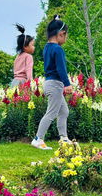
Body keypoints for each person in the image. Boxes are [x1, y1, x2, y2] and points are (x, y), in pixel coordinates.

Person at [31, 15, 73, 150]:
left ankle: (64, 138)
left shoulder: (47, 48)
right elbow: (61, 68)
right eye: (65, 35)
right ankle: (38, 139)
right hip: (55, 84)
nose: (65, 38)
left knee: (64, 111)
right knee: (52, 112)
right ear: (61, 34)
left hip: (50, 82)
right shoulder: (58, 49)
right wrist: (67, 84)